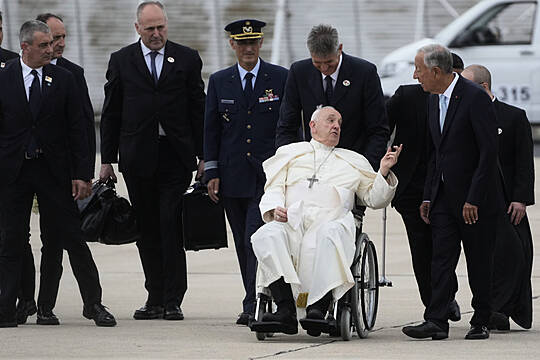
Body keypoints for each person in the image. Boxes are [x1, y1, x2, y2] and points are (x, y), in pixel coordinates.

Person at [0, 20, 115, 328]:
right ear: (25, 47)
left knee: (73, 239)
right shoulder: (5, 76)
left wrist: (81, 174)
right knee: (10, 241)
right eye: (43, 46)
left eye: (51, 44)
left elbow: (79, 128)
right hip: (15, 172)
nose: (50, 50)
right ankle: (6, 307)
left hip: (54, 173)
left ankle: (93, 304)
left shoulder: (63, 79)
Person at [250, 106, 401, 335]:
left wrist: (383, 171)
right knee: (266, 235)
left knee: (328, 235)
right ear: (312, 126)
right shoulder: (291, 153)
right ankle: (285, 309)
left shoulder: (353, 160)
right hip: (293, 221)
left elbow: (374, 198)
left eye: (339, 122)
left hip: (332, 221)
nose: (336, 126)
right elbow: (274, 188)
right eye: (330, 120)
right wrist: (274, 209)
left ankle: (318, 309)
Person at [100, 1, 205, 321]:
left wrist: (205, 157)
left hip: (175, 155)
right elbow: (111, 113)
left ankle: (174, 298)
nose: (157, 33)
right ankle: (154, 296)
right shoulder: (121, 61)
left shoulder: (186, 59)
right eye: (150, 29)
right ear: (137, 29)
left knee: (170, 223)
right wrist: (107, 159)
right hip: (137, 157)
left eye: (161, 27)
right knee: (145, 227)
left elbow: (197, 109)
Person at [402, 44, 503, 340]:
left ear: (435, 71)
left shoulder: (474, 98)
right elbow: (437, 152)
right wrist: (428, 195)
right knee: (441, 258)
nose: (415, 75)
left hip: (477, 198)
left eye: (419, 70)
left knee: (478, 260)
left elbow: (488, 152)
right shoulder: (433, 100)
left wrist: (473, 198)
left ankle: (482, 319)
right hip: (444, 197)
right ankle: (436, 320)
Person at [204, 19, 288, 325]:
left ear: (261, 43)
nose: (248, 49)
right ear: (232, 46)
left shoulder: (280, 78)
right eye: (242, 43)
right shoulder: (219, 80)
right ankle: (251, 296)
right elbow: (211, 129)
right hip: (232, 175)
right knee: (242, 242)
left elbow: (289, 126)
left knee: (256, 238)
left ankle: (256, 302)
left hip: (268, 176)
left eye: (253, 43)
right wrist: (210, 170)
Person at [385, 52, 465, 318]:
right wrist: (382, 167)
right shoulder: (407, 96)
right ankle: (435, 303)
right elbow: (381, 128)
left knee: (444, 246)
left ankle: (443, 297)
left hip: (446, 187)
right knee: (421, 248)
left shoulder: (465, 100)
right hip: (411, 187)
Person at [461, 64, 534, 331]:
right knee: (483, 257)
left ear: (483, 88)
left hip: (507, 202)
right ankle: (491, 309)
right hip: (476, 199)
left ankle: (503, 308)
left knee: (515, 254)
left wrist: (521, 199)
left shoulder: (513, 117)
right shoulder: (463, 115)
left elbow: (525, 161)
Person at [275, 24, 388, 169]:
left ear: (339, 49)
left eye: (329, 63)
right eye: (317, 63)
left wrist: (364, 168)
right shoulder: (299, 73)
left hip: (354, 165)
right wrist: (294, 165)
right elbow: (286, 127)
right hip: (311, 167)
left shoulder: (365, 73)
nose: (324, 69)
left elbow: (378, 130)